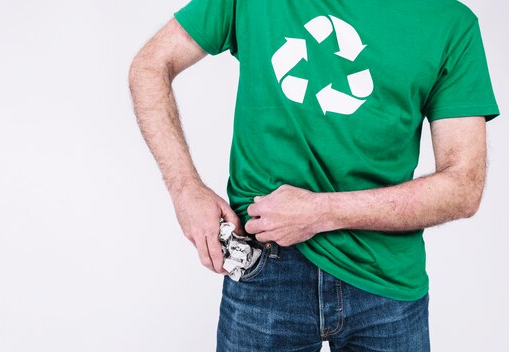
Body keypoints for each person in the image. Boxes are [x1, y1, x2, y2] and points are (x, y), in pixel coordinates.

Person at [128, 0, 501, 350]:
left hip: (386, 281)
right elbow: (151, 65)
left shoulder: (451, 23)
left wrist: (320, 212)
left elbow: (463, 187)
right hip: (264, 266)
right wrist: (185, 190)